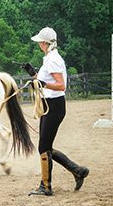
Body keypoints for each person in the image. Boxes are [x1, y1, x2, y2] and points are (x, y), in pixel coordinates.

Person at [24, 27, 89, 196]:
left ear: (45, 43)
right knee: (46, 147)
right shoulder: (49, 58)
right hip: (49, 105)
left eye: (40, 42)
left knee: (44, 147)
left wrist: (42, 84)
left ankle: (46, 186)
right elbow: (46, 80)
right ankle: (78, 171)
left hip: (54, 106)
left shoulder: (52, 60)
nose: (38, 44)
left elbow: (61, 85)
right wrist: (34, 75)